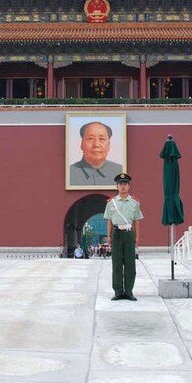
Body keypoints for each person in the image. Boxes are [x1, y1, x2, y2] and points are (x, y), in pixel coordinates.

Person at [104, 172, 143, 301]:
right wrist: (108, 236)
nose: (123, 186)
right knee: (116, 263)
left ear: (129, 186)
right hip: (116, 234)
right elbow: (109, 220)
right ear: (117, 186)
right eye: (120, 184)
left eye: (125, 184)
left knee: (130, 263)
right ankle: (118, 292)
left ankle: (129, 291)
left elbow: (137, 220)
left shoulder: (134, 203)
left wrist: (137, 237)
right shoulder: (111, 203)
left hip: (129, 234)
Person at [69, 121, 123, 186]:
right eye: (90, 139)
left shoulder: (121, 171)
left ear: (109, 145)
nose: (96, 145)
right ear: (81, 144)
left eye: (102, 139)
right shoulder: (69, 173)